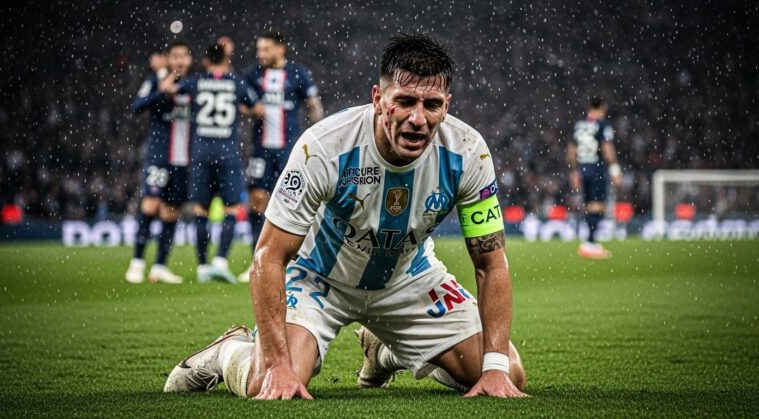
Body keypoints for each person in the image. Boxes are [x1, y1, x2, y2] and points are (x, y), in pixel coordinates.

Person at [163, 34, 528, 399]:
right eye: (404, 102)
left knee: (507, 372)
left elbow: (491, 263)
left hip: (408, 280)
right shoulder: (325, 146)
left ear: (446, 106)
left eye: (431, 104)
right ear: (378, 100)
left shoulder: (467, 151)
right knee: (269, 382)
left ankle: (385, 352)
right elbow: (268, 256)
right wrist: (277, 365)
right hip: (320, 279)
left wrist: (493, 370)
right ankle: (230, 350)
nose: (418, 118)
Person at [161, 42, 254, 284]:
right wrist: (241, 107)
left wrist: (174, 72)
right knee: (233, 209)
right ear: (226, 59)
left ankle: (202, 266)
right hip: (227, 153)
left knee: (200, 210)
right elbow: (258, 108)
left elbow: (168, 89)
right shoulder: (236, 82)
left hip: (201, 153)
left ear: (205, 59)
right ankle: (220, 261)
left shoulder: (195, 81)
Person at [238, 31, 324, 282]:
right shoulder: (253, 75)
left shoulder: (298, 73)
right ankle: (258, 260)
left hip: (291, 151)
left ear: (280, 48)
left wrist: (318, 135)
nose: (260, 54)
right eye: (259, 49)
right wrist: (251, 109)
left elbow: (313, 104)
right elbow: (239, 100)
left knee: (295, 203)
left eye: (265, 49)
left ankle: (295, 262)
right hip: (260, 150)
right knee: (257, 201)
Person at [125, 41, 193, 284]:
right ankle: (137, 263)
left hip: (184, 160)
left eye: (184, 56)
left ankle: (160, 266)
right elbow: (136, 106)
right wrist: (161, 90)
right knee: (151, 205)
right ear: (168, 59)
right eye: (175, 56)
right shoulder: (155, 80)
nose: (180, 61)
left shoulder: (193, 85)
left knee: (172, 212)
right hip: (159, 156)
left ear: (189, 60)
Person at [567, 97, 623, 258]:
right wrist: (615, 169)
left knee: (589, 204)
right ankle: (590, 243)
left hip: (582, 168)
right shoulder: (602, 125)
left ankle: (589, 242)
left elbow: (571, 150)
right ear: (601, 108)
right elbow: (607, 149)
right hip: (596, 167)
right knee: (598, 205)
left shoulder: (579, 125)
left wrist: (574, 171)